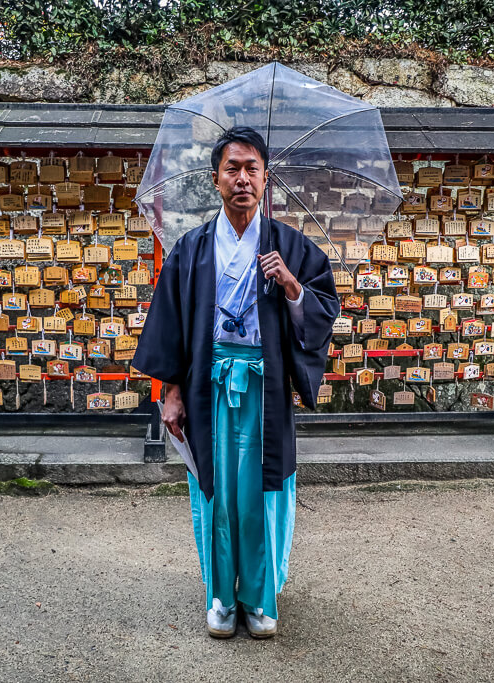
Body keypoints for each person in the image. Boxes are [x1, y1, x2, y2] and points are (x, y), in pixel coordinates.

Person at [133, 126, 339, 639]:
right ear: (215, 178)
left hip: (265, 390)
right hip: (208, 387)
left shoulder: (291, 246)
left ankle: (261, 599)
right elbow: (172, 325)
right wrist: (172, 393)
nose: (242, 178)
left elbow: (323, 312)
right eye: (233, 168)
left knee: (263, 495)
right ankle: (222, 596)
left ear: (266, 179)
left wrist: (291, 284)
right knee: (218, 493)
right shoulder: (192, 249)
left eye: (252, 169)